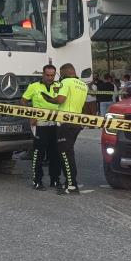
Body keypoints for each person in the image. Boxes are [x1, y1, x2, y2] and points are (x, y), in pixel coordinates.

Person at [45, 63, 89, 195]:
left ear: (63, 73)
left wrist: (48, 98)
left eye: (60, 73)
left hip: (65, 122)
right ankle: (70, 182)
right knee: (69, 153)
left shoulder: (66, 82)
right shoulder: (83, 85)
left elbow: (60, 99)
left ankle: (71, 185)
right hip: (76, 122)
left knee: (65, 154)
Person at [20, 64, 63, 191]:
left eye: (52, 75)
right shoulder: (34, 86)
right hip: (40, 125)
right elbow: (22, 101)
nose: (50, 77)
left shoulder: (59, 86)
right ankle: (37, 181)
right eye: (47, 75)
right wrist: (31, 114)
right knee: (38, 153)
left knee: (55, 154)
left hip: (56, 124)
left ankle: (55, 180)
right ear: (43, 74)